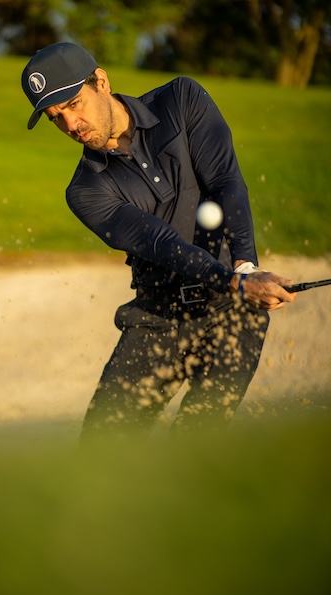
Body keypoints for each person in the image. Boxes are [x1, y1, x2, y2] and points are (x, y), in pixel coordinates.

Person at [21, 42, 297, 439]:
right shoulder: (85, 192)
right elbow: (160, 242)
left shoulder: (180, 100)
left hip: (233, 311)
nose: (71, 124)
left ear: (101, 81)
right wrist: (235, 281)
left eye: (74, 104)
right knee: (101, 449)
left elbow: (226, 181)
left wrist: (245, 268)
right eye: (55, 118)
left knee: (194, 443)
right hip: (156, 318)